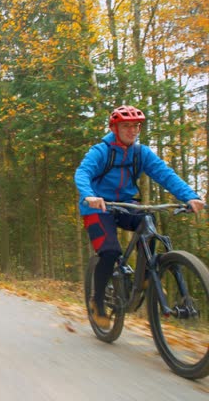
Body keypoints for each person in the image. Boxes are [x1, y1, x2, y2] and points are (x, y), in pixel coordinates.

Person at [75, 105, 204, 329]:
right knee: (110, 251)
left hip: (125, 204)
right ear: (114, 128)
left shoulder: (141, 153)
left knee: (148, 223)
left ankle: (145, 276)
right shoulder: (101, 151)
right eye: (126, 126)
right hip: (98, 207)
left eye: (136, 126)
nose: (132, 131)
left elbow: (165, 174)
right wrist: (89, 196)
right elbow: (83, 172)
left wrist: (190, 197)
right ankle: (97, 301)